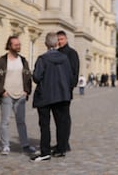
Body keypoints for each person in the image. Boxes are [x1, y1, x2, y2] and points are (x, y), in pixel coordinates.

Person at [0, 36, 36, 155]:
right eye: (16, 44)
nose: (18, 46)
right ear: (9, 46)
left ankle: (25, 145)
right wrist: (2, 92)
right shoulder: (2, 61)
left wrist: (27, 91)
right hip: (7, 95)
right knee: (5, 121)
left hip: (20, 95)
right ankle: (5, 146)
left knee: (21, 121)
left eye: (19, 44)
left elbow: (28, 77)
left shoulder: (23, 60)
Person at [31, 32, 73, 162]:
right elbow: (70, 77)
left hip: (45, 96)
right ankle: (61, 149)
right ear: (56, 43)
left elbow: (37, 77)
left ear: (46, 44)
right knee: (61, 123)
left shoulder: (42, 59)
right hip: (61, 95)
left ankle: (45, 152)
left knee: (45, 125)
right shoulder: (65, 58)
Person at [56, 30, 79, 152]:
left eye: (61, 39)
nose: (59, 42)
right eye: (58, 40)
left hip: (65, 91)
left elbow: (74, 73)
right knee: (58, 118)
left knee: (64, 118)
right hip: (55, 91)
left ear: (66, 39)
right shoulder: (56, 52)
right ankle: (60, 143)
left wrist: (69, 87)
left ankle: (65, 144)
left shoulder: (72, 53)